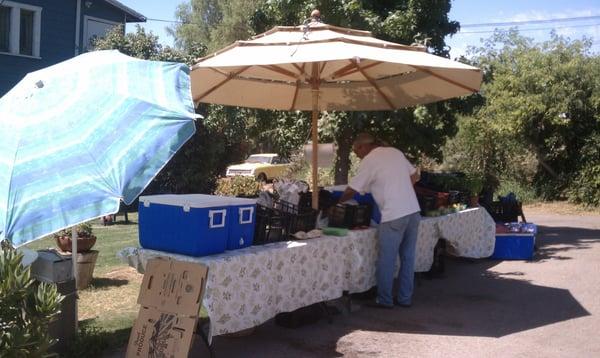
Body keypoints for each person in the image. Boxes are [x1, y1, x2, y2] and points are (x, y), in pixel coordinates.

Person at [338, 133, 421, 309]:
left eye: (355, 151)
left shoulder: (370, 160)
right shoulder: (395, 152)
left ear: (362, 147)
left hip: (394, 214)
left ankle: (385, 300)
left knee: (387, 259)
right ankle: (405, 299)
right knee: (407, 257)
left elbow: (352, 189)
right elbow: (415, 176)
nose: (356, 155)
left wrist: (337, 203)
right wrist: (401, 188)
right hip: (413, 211)